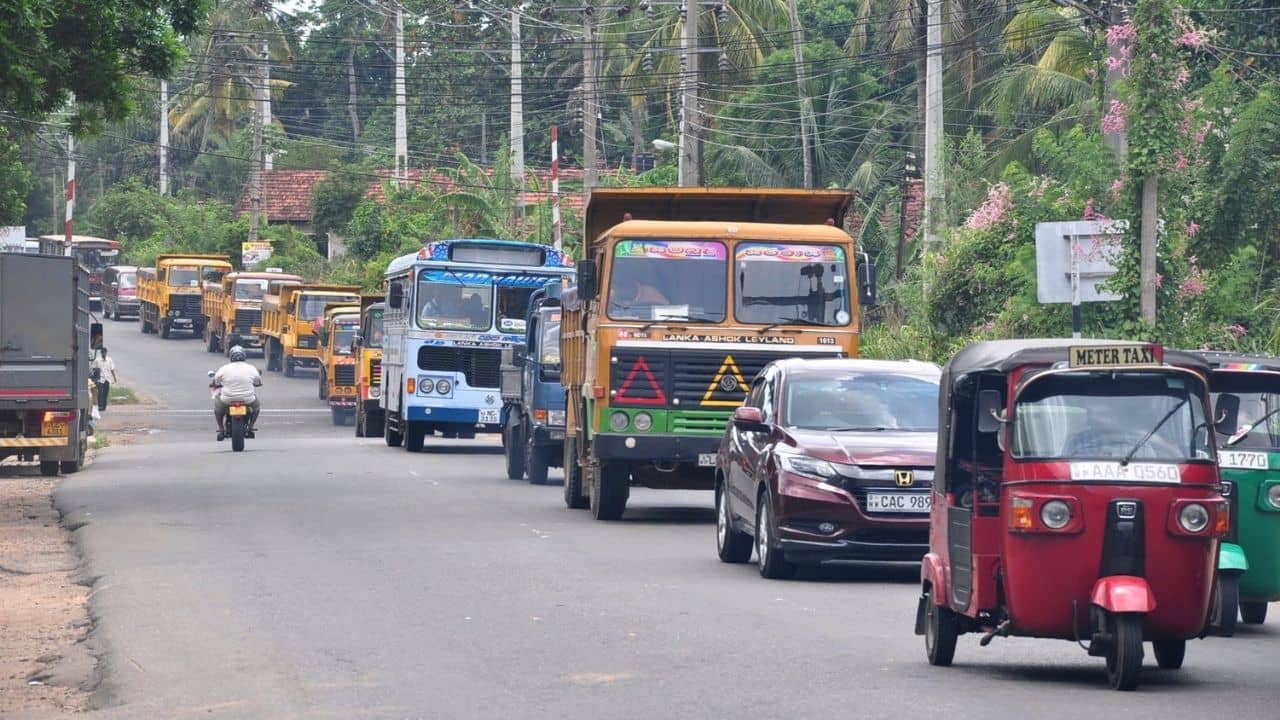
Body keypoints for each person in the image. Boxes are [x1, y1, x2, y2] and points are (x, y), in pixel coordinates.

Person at [212, 345, 262, 441]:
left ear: (230, 356)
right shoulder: (251, 368)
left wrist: (215, 384)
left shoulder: (224, 368)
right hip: (247, 399)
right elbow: (257, 382)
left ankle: (221, 429)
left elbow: (216, 381)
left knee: (217, 410)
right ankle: (251, 427)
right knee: (256, 408)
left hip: (227, 399)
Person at [90, 347, 117, 412]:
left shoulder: (109, 360)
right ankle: (100, 406)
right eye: (103, 353)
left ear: (106, 353)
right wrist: (94, 378)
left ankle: (104, 406)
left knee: (105, 393)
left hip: (107, 379)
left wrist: (115, 378)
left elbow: (112, 369)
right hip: (100, 379)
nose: (104, 354)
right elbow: (93, 369)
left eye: (105, 352)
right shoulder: (97, 360)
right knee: (100, 393)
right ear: (101, 353)